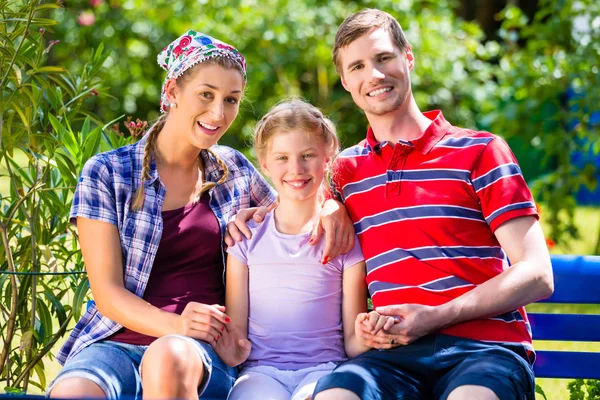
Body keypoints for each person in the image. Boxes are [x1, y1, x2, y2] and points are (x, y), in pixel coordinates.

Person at [47, 31, 354, 400]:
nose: (218, 113)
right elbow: (108, 294)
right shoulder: (107, 173)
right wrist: (177, 324)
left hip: (200, 352)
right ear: (173, 92)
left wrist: (332, 205)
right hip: (115, 342)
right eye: (206, 95)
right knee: (72, 392)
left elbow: (294, 202)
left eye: (231, 100)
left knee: (169, 355)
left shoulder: (234, 170)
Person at [309, 9, 555, 400]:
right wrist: (327, 204)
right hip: (392, 358)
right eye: (357, 66)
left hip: (485, 350)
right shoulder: (343, 171)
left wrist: (436, 317)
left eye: (383, 57)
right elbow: (286, 202)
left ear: (408, 58)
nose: (373, 74)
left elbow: (538, 273)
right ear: (346, 82)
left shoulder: (480, 151)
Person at [223, 100, 388, 400]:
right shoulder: (246, 240)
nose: (296, 169)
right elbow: (237, 339)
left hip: (325, 370)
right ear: (265, 163)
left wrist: (369, 332)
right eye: (282, 157)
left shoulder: (342, 241)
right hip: (260, 372)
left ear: (327, 158)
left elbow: (352, 343)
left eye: (308, 155)